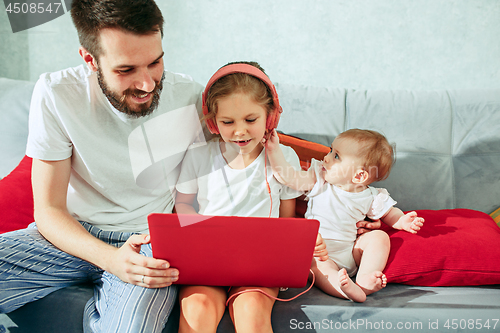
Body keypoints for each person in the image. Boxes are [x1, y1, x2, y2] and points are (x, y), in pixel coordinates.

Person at [0, 0, 207, 332]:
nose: (148, 84)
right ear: (89, 59)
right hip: (70, 238)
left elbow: (246, 135)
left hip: (147, 242)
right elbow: (49, 210)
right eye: (126, 70)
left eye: (155, 62)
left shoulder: (189, 96)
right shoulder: (56, 94)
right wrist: (111, 261)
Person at [174, 61, 325, 333]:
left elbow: (286, 218)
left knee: (251, 311)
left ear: (270, 118)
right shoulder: (198, 156)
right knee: (197, 310)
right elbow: (183, 203)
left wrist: (303, 245)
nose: (240, 131)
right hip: (209, 260)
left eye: (250, 120)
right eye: (228, 122)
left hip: (261, 265)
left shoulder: (282, 158)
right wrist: (197, 232)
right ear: (213, 123)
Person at [265, 128, 425, 302]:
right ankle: (344, 288)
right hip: (321, 254)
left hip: (351, 252)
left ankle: (365, 277)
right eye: (331, 150)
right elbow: (289, 178)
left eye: (336, 156)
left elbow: (389, 213)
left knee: (379, 237)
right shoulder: (320, 180)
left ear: (359, 176)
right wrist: (274, 150)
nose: (326, 158)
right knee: (316, 268)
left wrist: (402, 220)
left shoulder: (371, 195)